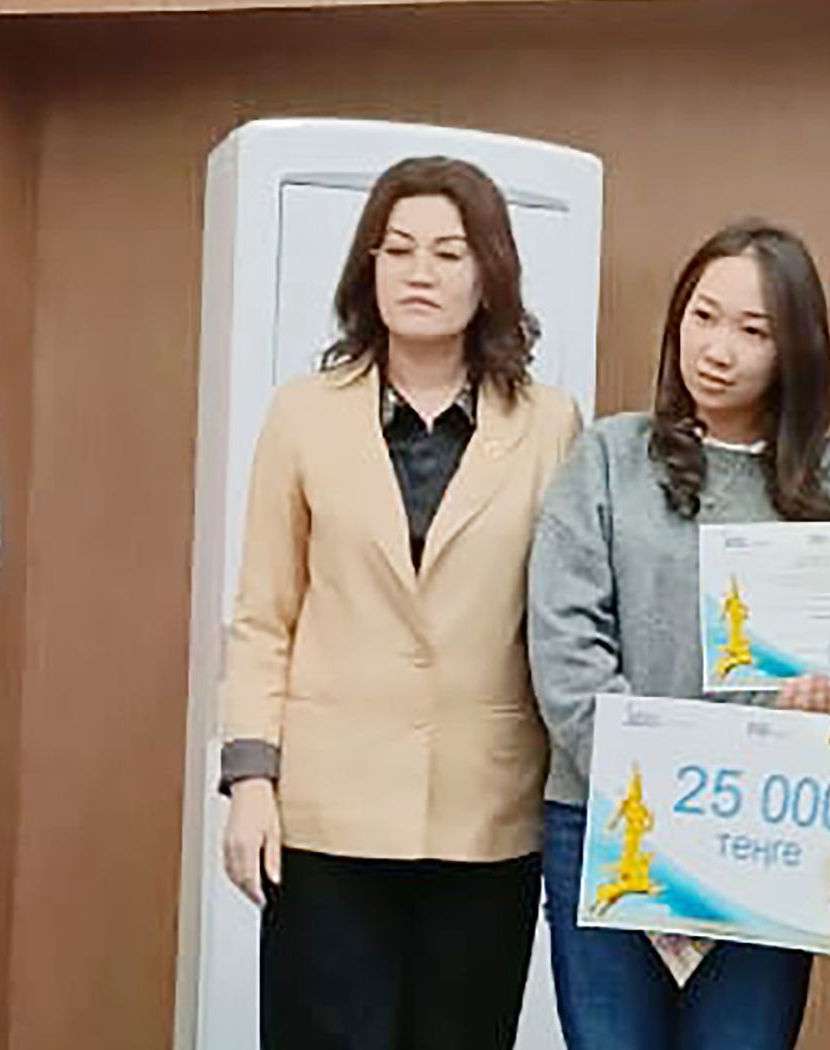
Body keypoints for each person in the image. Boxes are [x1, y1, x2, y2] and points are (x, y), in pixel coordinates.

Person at [217, 155, 581, 1050]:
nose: (421, 272)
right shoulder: (302, 415)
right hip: (326, 811)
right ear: (368, 267)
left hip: (485, 813)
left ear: (490, 274)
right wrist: (251, 782)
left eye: (450, 253)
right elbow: (264, 615)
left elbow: (563, 617)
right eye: (400, 249)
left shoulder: (551, 425)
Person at [528, 219, 830, 1050]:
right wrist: (661, 800)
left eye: (753, 331)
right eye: (703, 317)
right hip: (607, 819)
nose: (718, 349)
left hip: (760, 834)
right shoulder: (609, 455)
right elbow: (565, 645)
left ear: (796, 349)